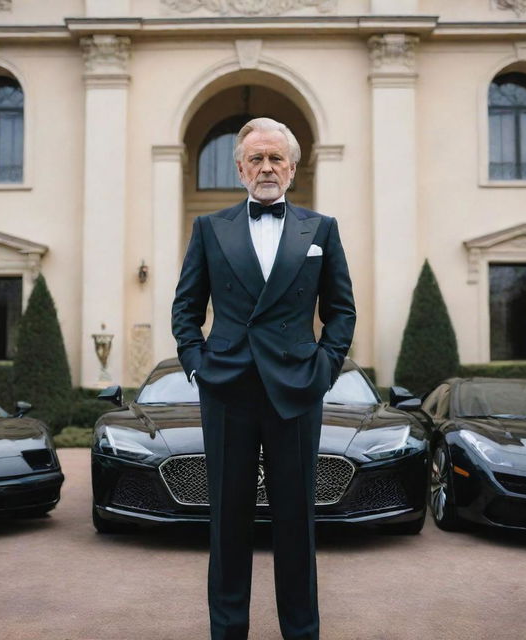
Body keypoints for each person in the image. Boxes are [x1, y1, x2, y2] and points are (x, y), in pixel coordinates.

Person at [171, 117, 356, 640]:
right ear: (240, 168)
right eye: (257, 158)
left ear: (293, 169)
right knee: (228, 525)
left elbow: (341, 310)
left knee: (297, 523)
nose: (267, 167)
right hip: (227, 389)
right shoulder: (209, 229)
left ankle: (302, 632)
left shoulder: (321, 229)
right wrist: (197, 365)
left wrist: (324, 369)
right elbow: (186, 307)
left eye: (277, 158)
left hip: (297, 390)